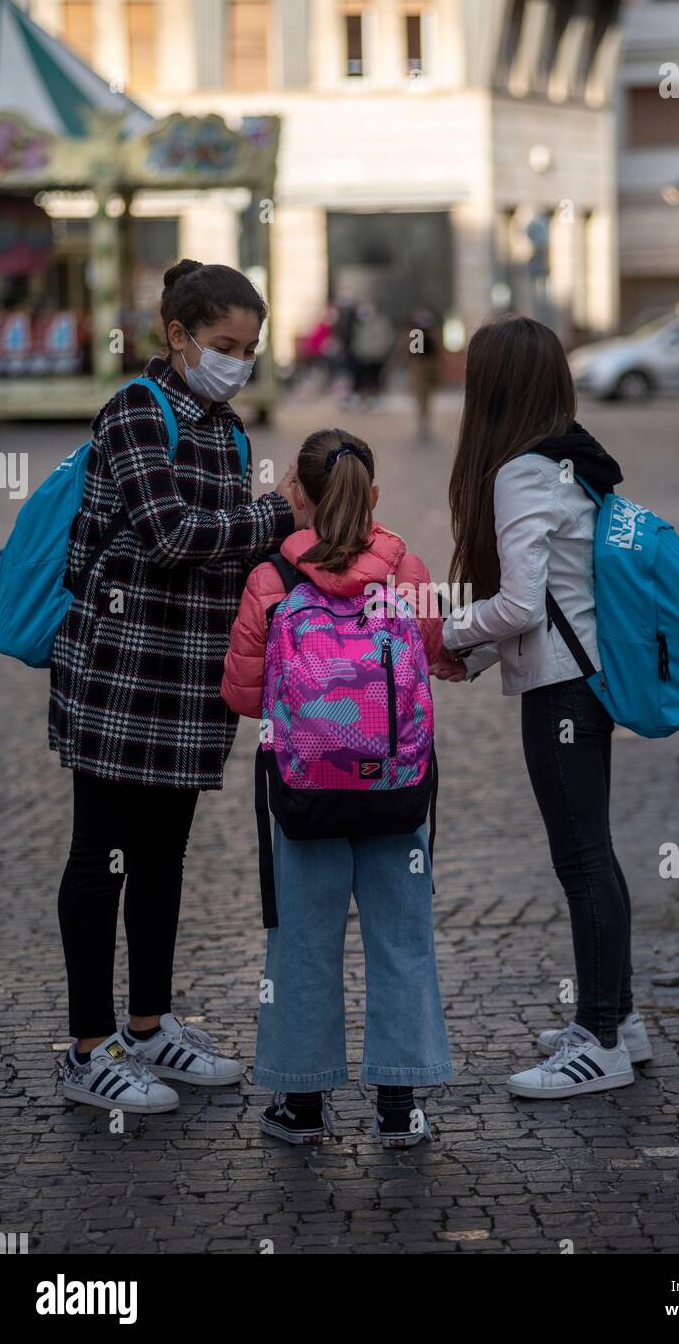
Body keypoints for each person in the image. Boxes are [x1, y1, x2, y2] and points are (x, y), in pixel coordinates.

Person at [52, 259, 303, 1114]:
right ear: (179, 337)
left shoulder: (228, 429)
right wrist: (279, 515)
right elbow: (170, 535)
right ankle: (89, 1047)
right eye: (227, 345)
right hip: (121, 674)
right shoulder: (135, 411)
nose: (240, 360)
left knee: (163, 857)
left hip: (191, 679)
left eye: (252, 348)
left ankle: (150, 1027)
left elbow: (226, 548)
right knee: (102, 855)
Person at [222, 427, 453, 1147]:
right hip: (397, 787)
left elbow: (246, 693)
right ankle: (398, 1105)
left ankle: (301, 1105)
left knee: (302, 940)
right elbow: (437, 652)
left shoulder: (272, 578)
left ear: (298, 496)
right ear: (372, 495)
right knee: (402, 937)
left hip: (305, 792)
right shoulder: (405, 567)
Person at [441, 314, 653, 1099]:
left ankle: (598, 1038)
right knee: (594, 850)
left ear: (491, 388)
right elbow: (561, 591)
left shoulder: (523, 471)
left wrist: (450, 633)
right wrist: (480, 648)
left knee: (582, 857)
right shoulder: (575, 460)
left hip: (561, 688)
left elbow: (523, 603)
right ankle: (618, 1019)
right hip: (588, 678)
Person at [406, 307, 442, 439]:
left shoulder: (421, 333)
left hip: (425, 363)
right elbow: (413, 351)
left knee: (424, 394)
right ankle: (423, 421)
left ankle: (424, 421)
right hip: (421, 364)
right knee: (422, 394)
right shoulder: (419, 334)